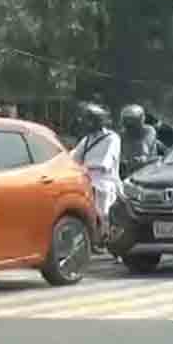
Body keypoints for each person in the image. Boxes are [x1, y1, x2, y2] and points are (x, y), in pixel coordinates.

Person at [71, 103, 122, 252]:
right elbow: (74, 157)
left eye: (88, 120)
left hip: (105, 182)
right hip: (87, 181)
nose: (85, 123)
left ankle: (107, 241)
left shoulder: (112, 138)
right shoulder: (87, 140)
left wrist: (87, 167)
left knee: (104, 213)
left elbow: (106, 162)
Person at [119, 104, 159, 177]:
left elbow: (145, 146)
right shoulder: (122, 135)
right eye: (127, 120)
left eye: (132, 121)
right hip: (127, 172)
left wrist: (141, 157)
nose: (129, 124)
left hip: (148, 168)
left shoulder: (148, 130)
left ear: (140, 120)